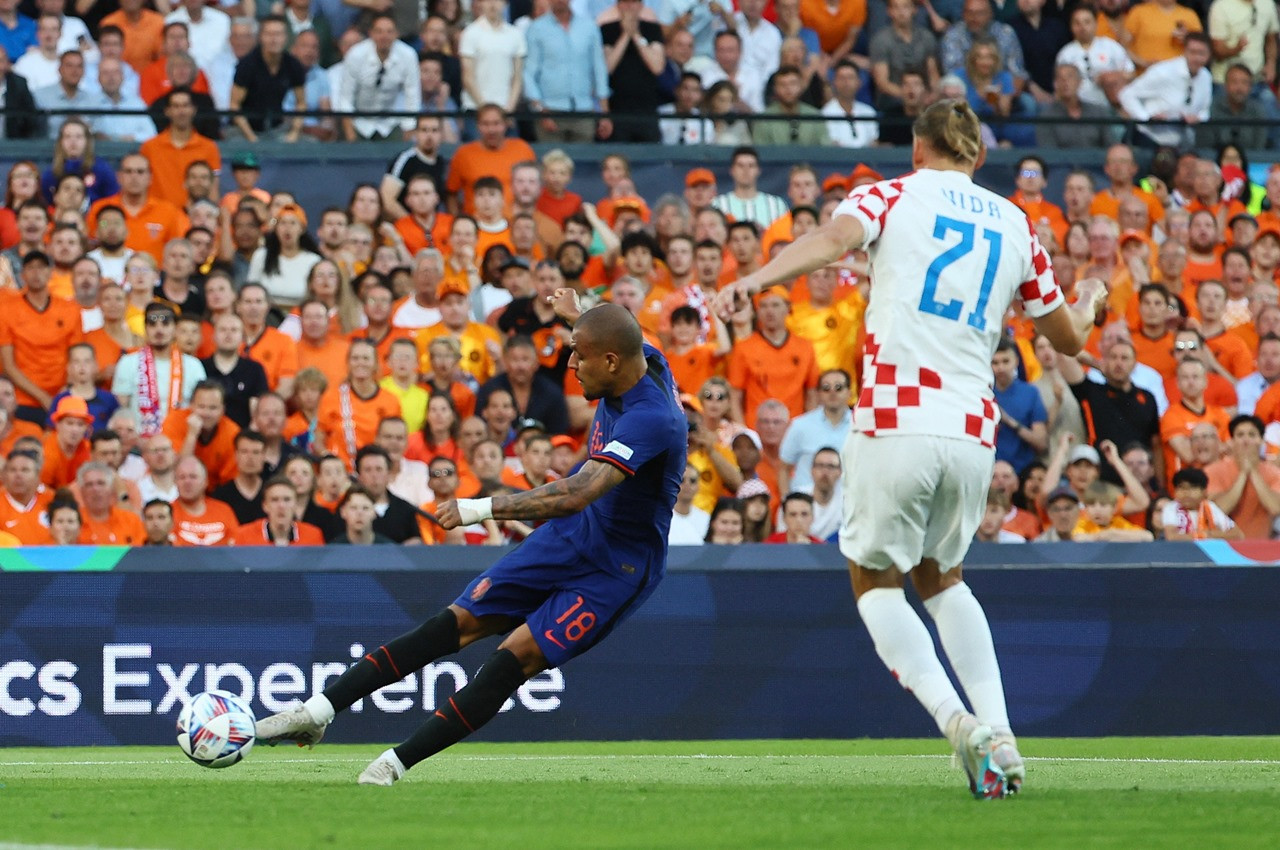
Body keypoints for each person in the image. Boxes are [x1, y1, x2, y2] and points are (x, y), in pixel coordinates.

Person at [714, 99, 1106, 798]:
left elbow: (831, 241)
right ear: (978, 156)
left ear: (917, 149)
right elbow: (1070, 337)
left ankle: (960, 725)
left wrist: (753, 279)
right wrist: (1095, 299)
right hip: (973, 431)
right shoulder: (1016, 222)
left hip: (897, 417)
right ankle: (1003, 733)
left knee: (873, 580)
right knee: (943, 578)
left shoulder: (890, 195)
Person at [256, 300, 687, 786]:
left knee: (513, 658)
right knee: (453, 624)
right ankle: (318, 711)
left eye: (578, 355)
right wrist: (577, 313)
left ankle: (392, 765)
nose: (570, 365)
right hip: (572, 535)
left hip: (616, 569)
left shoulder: (654, 419)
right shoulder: (639, 356)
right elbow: (615, 332)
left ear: (610, 362)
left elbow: (577, 492)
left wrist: (480, 508)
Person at [232, 475, 325, 545]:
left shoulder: (313, 536)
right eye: (275, 500)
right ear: (265, 506)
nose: (281, 506)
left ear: (295, 504)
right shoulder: (244, 536)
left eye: (287, 500)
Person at [1161, 467, 1244, 540]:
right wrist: (1204, 536)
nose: (1186, 492)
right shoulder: (1171, 508)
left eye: (1193, 487)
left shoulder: (1210, 506)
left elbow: (1238, 535)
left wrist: (1209, 534)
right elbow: (1172, 537)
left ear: (1204, 492)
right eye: (1181, 487)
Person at [329, 485, 395, 544]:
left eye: (365, 508)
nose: (359, 513)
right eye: (353, 508)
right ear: (343, 512)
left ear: (374, 513)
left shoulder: (389, 549)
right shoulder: (333, 550)